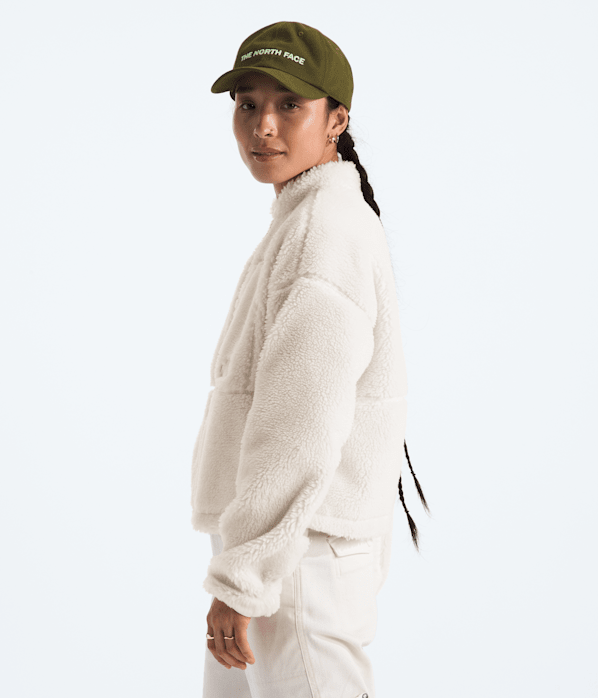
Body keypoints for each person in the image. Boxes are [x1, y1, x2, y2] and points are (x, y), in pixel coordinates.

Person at [190, 21, 429, 698]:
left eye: (289, 104)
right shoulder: (305, 219)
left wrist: (244, 576)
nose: (263, 125)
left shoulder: (325, 229)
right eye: (247, 103)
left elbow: (300, 420)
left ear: (336, 121)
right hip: (282, 545)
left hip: (297, 553)